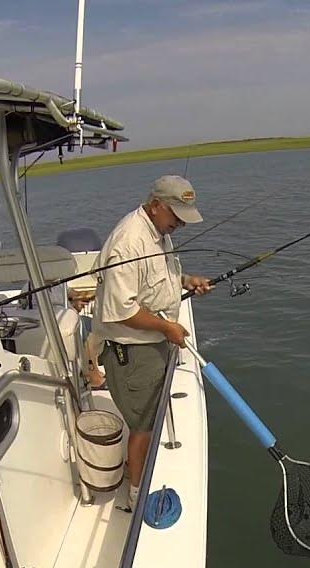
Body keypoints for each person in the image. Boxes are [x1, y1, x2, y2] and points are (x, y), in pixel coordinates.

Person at [92, 176, 214, 510]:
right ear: (156, 204)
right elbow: (121, 312)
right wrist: (167, 327)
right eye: (176, 215)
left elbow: (162, 276)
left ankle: (141, 475)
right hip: (132, 349)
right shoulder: (127, 243)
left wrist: (189, 280)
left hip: (155, 339)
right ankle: (135, 494)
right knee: (143, 424)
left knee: (151, 415)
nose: (180, 224)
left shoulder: (159, 232)